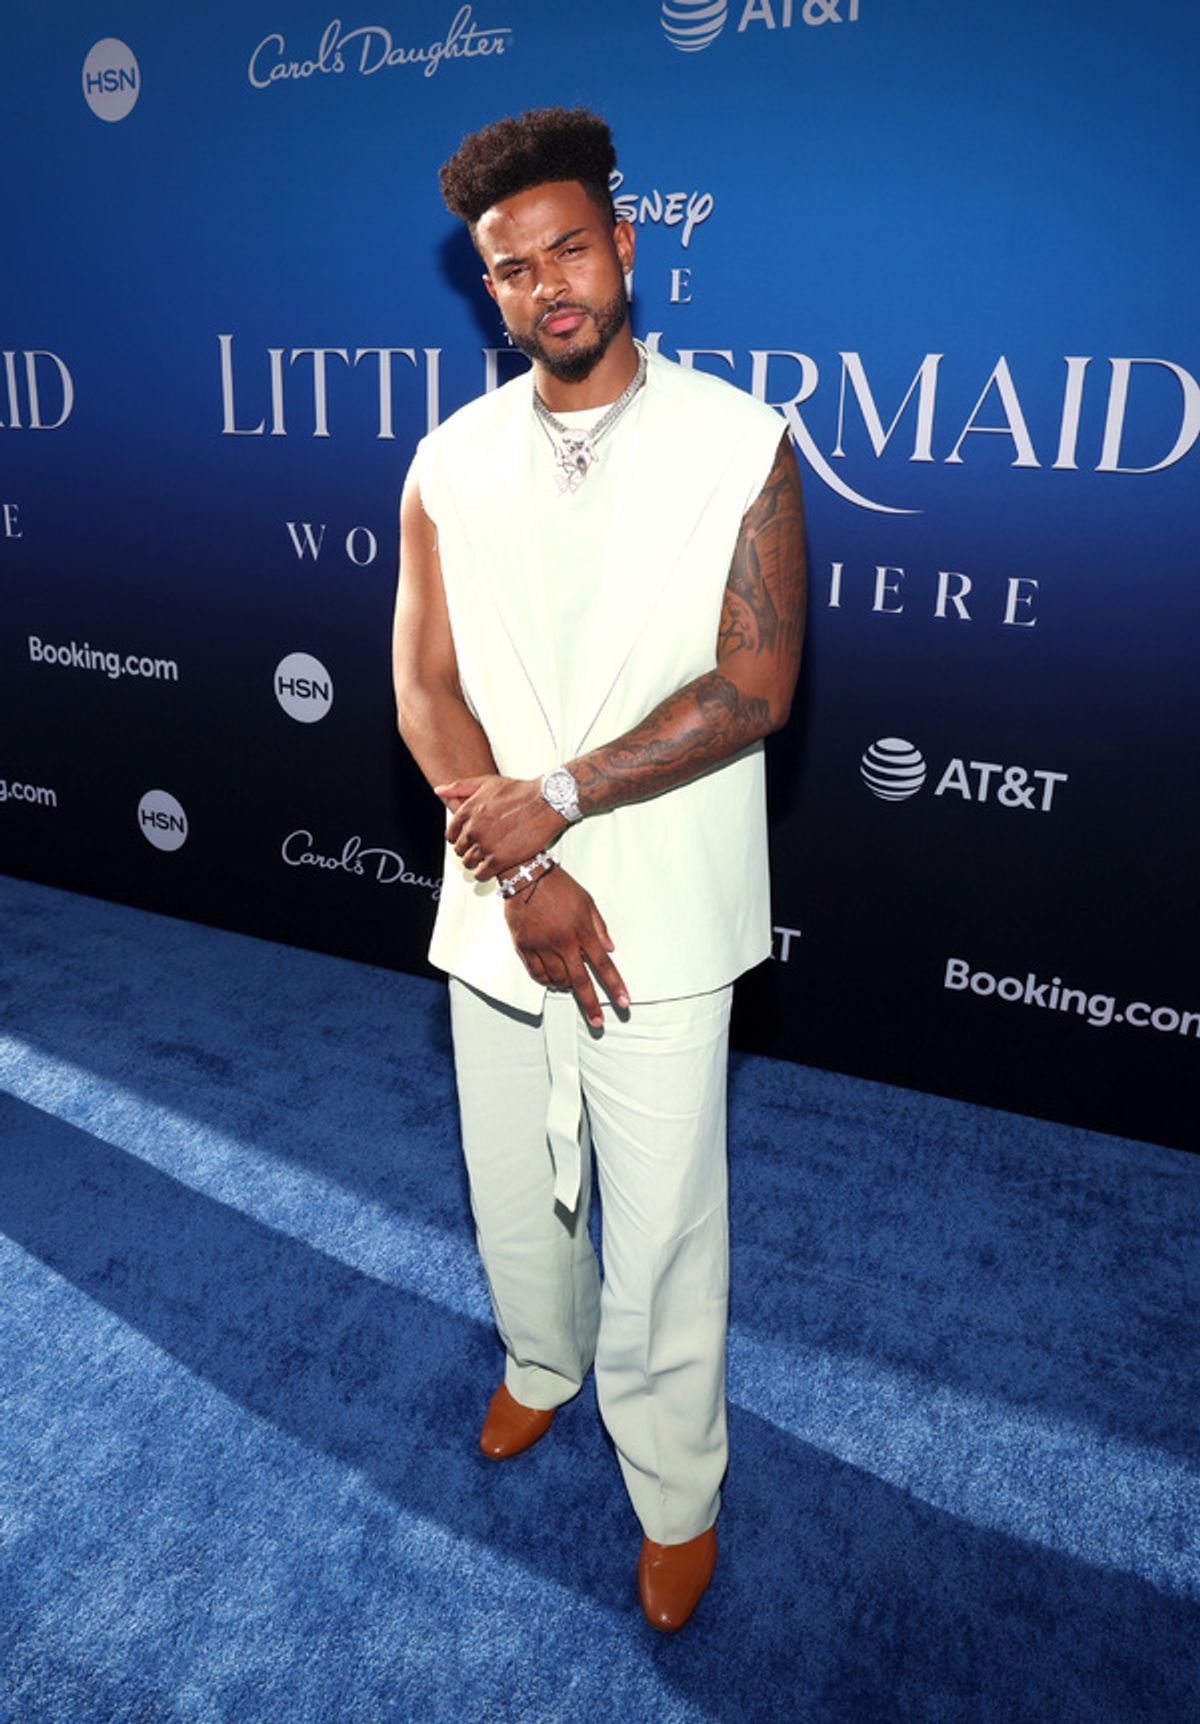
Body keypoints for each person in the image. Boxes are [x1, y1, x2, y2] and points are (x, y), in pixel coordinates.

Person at [392, 107, 805, 1632]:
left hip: (669, 914)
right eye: (513, 267)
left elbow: (755, 686)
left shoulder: (739, 443)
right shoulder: (448, 458)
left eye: (569, 247)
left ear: (626, 247)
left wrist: (557, 801)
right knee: (513, 1197)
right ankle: (538, 1365)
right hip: (493, 900)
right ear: (488, 291)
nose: (546, 284)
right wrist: (517, 866)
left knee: (664, 1225)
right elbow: (423, 688)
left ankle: (676, 1486)